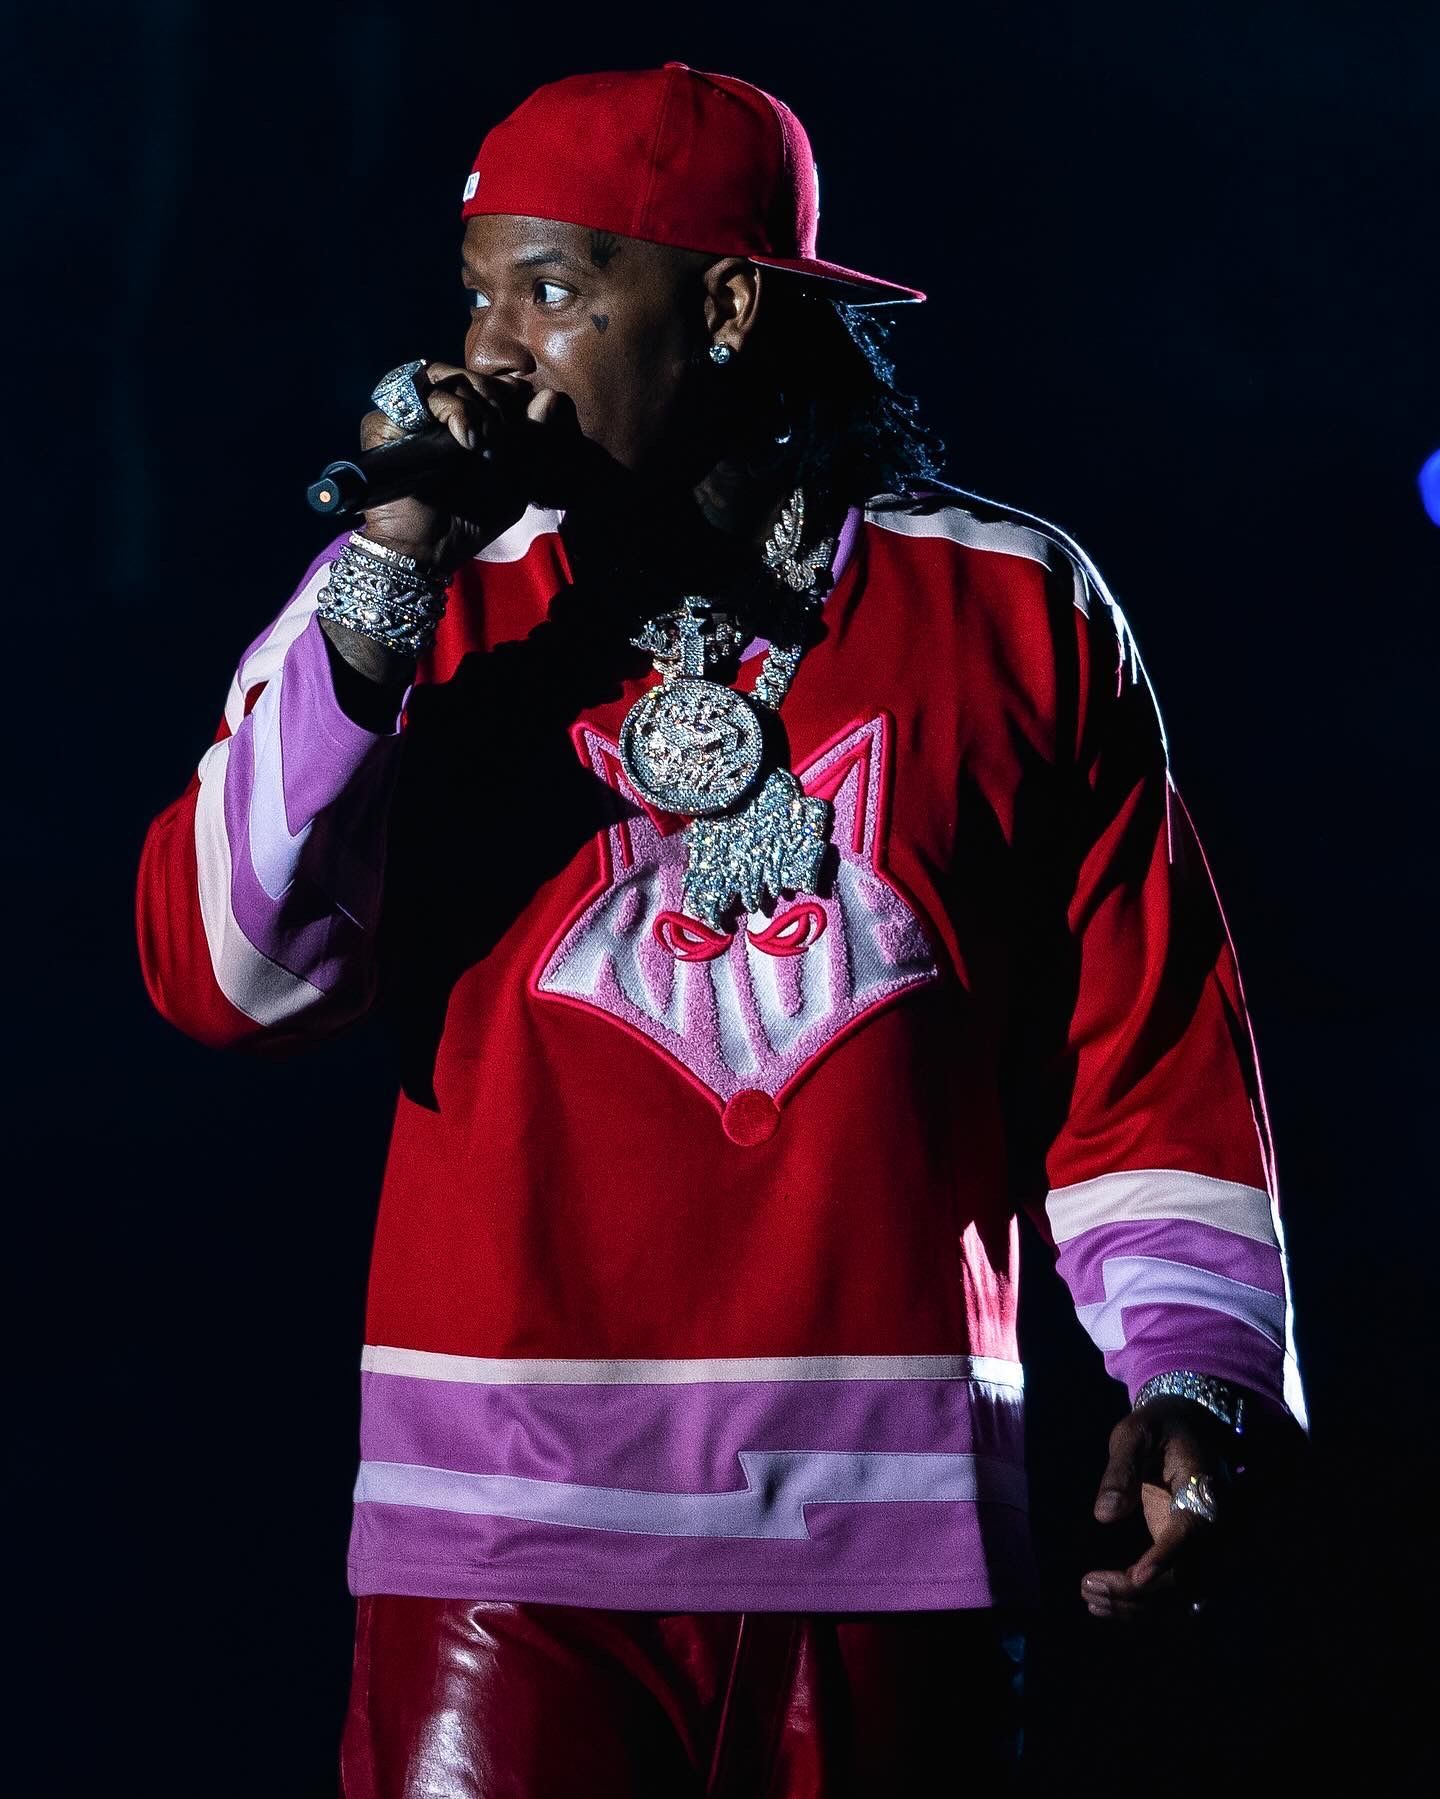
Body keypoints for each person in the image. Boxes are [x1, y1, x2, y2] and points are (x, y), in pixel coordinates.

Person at [136, 60, 1310, 1797]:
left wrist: (1197, 1376)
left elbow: (1143, 1061)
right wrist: (386, 583)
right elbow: (222, 978)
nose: (491, 353)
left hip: (894, 1547)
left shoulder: (1012, 607)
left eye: (551, 292)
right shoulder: (422, 603)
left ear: (730, 308)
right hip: (503, 1547)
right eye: (475, 294)